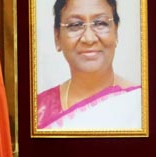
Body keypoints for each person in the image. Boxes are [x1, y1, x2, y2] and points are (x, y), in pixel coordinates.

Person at [36, 0, 142, 131]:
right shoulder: (37, 111)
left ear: (116, 33)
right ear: (57, 37)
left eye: (100, 23)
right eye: (75, 25)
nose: (89, 38)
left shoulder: (141, 104)